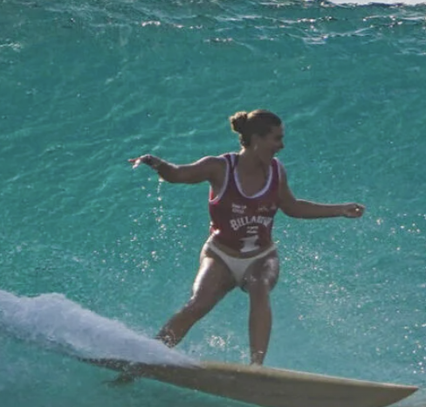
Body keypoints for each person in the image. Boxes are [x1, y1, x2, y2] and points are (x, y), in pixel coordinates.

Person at [132, 108, 365, 367]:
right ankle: (144, 360)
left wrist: (339, 210)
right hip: (220, 255)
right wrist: (155, 162)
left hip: (261, 257)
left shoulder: (277, 171)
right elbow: (178, 175)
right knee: (197, 304)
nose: (282, 145)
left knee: (259, 285)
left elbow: (292, 207)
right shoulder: (219, 168)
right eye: (276, 138)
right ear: (256, 139)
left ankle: (256, 368)